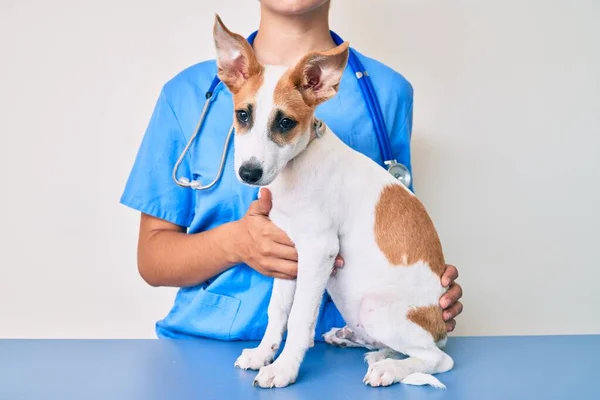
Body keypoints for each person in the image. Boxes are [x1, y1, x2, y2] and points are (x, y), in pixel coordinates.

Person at [120, 0, 463, 341]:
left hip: (350, 351)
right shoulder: (186, 95)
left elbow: (392, 229)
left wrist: (418, 289)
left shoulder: (388, 93)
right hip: (208, 345)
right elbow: (152, 260)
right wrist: (237, 243)